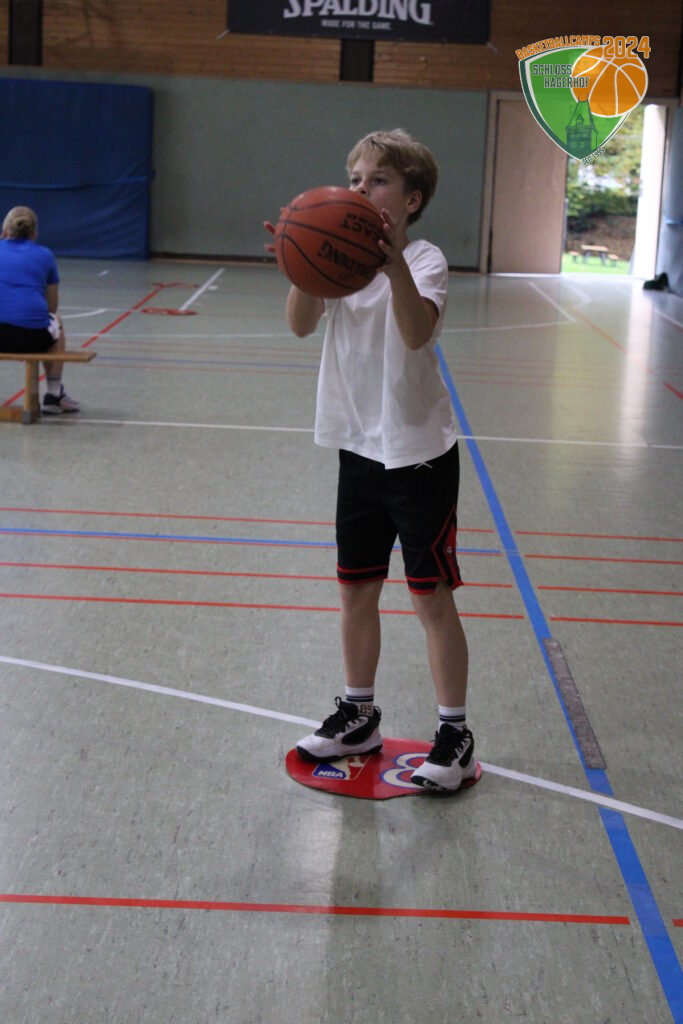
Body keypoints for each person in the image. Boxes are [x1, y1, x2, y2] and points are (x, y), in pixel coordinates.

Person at [265, 129, 476, 792]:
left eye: (377, 180)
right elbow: (301, 324)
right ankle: (358, 715)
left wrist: (392, 267)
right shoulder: (339, 261)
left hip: (418, 456)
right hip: (358, 451)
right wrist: (298, 257)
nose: (360, 189)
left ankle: (454, 733)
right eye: (354, 179)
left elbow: (416, 333)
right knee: (355, 589)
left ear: (411, 200)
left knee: (429, 597)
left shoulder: (424, 259)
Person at [0, 206, 79, 414]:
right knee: (56, 321)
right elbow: (51, 307)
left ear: (4, 231)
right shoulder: (45, 255)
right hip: (32, 337)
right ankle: (53, 394)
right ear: (34, 234)